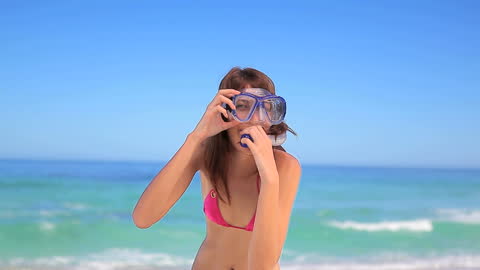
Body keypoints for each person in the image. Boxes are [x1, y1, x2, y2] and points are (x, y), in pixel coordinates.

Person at [132, 67, 302, 270]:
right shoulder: (206, 155)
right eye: (243, 106)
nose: (255, 119)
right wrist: (196, 137)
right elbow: (143, 218)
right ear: (224, 110)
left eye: (265, 108)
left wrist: (269, 179)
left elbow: (262, 266)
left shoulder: (284, 166)